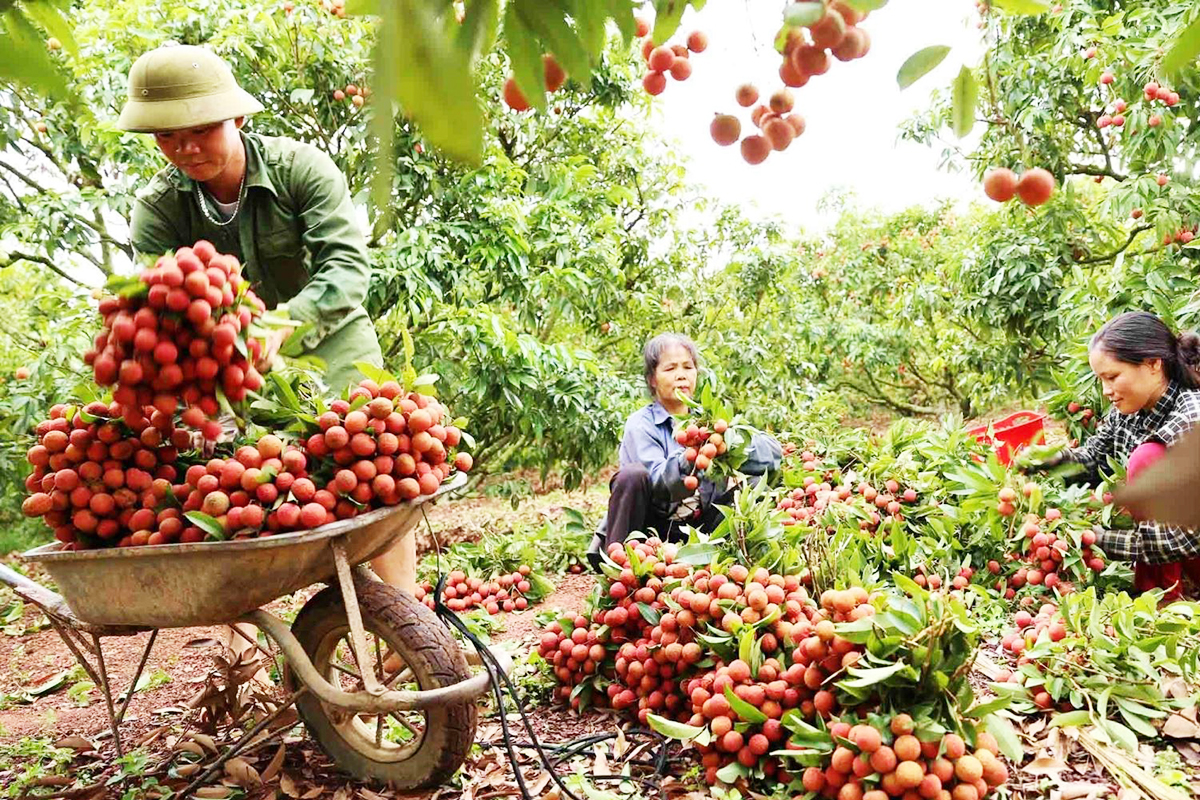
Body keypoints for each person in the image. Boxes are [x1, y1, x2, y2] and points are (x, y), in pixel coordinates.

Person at [116, 44, 416, 670]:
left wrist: (284, 322)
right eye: (169, 137)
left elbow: (347, 267)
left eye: (201, 130)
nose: (187, 148)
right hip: (231, 373)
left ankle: (401, 622)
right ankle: (242, 645)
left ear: (239, 120)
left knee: (380, 475)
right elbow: (158, 303)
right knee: (224, 484)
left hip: (333, 346)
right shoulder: (158, 208)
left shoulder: (301, 169)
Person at [1029, 311, 1200, 596]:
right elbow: (1093, 460)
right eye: (1101, 380)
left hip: (1187, 542)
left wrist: (1101, 539)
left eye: (1112, 377)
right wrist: (1051, 462)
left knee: (1146, 460)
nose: (1107, 391)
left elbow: (1183, 539)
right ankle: (1165, 590)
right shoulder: (1128, 412)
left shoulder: (1193, 417)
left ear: (1153, 364)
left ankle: (1165, 595)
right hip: (1175, 546)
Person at [587, 333, 782, 569]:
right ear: (652, 379)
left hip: (700, 529)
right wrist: (691, 455)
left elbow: (773, 457)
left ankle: (724, 559)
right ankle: (618, 566)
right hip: (650, 528)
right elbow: (658, 482)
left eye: (688, 367)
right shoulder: (640, 424)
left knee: (755, 487)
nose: (681, 374)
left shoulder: (711, 422)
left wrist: (726, 442)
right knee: (632, 476)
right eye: (670, 368)